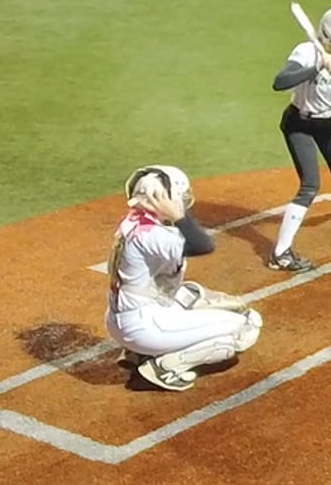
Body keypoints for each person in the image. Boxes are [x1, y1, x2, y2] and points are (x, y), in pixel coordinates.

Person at [105, 166, 263, 392]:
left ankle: (137, 354)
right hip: (142, 327)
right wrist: (177, 215)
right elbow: (203, 245)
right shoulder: (155, 236)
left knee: (191, 295)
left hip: (124, 316)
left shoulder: (132, 222)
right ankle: (165, 366)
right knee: (246, 326)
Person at [266, 6, 331, 272]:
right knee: (310, 185)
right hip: (298, 124)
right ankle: (280, 253)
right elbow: (280, 81)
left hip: (329, 124)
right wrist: (317, 67)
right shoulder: (306, 52)